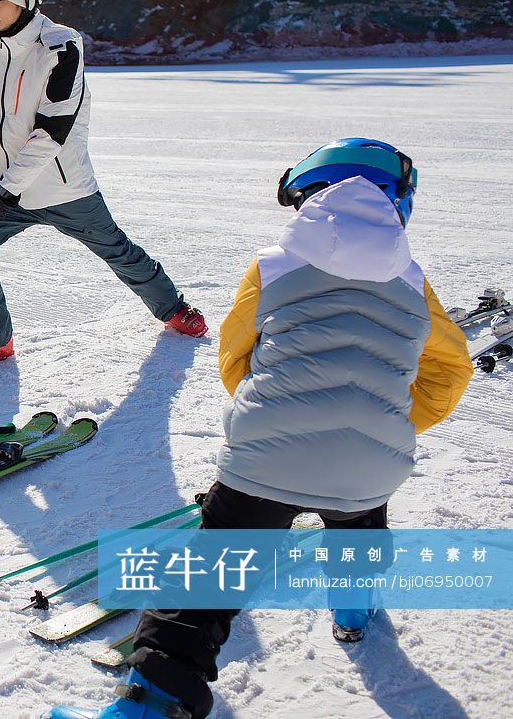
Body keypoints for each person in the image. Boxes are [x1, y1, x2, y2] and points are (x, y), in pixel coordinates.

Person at [46, 139, 473, 719]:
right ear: (400, 206)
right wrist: (387, 420)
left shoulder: (273, 265)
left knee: (203, 588)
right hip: (370, 465)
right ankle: (353, 611)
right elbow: (450, 369)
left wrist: (274, 414)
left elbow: (234, 357)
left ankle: (149, 708)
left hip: (264, 463)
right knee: (360, 522)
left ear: (306, 199)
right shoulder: (413, 282)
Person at [0, 0, 206, 369]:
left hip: (64, 188)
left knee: (117, 251)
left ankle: (176, 310)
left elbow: (52, 132)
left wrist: (2, 194)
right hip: (7, 192)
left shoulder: (61, 46)